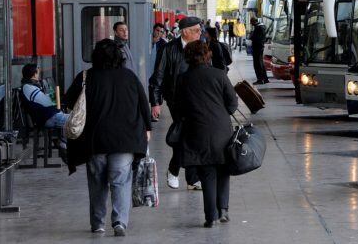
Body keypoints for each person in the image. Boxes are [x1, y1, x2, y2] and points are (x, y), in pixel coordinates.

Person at [64, 39, 151, 237]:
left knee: (97, 182)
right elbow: (143, 105)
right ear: (119, 57)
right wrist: (147, 128)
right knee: (120, 180)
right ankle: (119, 222)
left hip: (95, 140)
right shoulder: (129, 76)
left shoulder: (86, 77)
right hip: (124, 139)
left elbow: (69, 102)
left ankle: (98, 223)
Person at [176, 41, 238, 227]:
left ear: (188, 56)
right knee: (223, 170)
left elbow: (178, 107)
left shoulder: (183, 79)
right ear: (207, 55)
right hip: (221, 130)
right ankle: (224, 210)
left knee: (207, 173)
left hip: (197, 130)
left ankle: (210, 215)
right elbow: (233, 104)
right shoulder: (219, 74)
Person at [148, 16, 202, 190]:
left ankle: (187, 177)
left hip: (197, 98)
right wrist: (155, 102)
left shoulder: (201, 47)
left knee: (190, 136)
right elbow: (157, 77)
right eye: (196, 30)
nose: (200, 33)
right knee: (186, 133)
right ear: (185, 32)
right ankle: (178, 172)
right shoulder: (168, 49)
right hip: (176, 99)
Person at [20, 64, 68, 152]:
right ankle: (63, 142)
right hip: (47, 118)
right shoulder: (28, 87)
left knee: (75, 118)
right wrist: (53, 96)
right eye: (37, 73)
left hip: (48, 115)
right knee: (75, 120)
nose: (39, 75)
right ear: (34, 74)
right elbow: (47, 102)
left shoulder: (29, 86)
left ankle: (63, 141)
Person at [250, 17, 269, 84]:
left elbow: (254, 38)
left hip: (257, 48)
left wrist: (251, 36)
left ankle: (260, 80)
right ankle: (265, 79)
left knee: (257, 64)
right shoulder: (262, 26)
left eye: (251, 22)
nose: (250, 23)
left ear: (254, 21)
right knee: (261, 63)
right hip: (261, 47)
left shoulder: (258, 28)